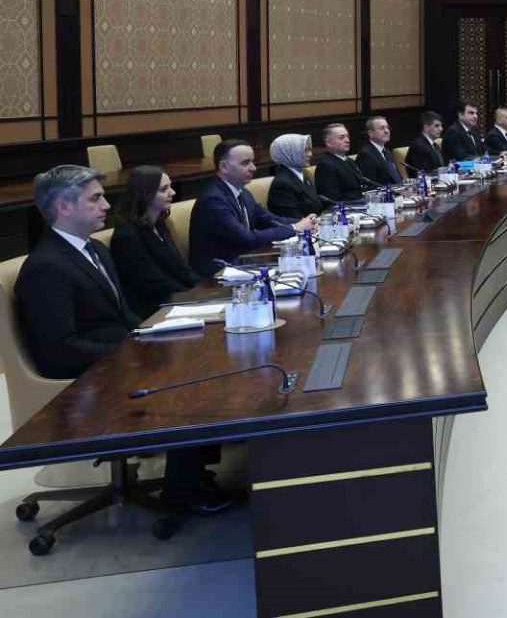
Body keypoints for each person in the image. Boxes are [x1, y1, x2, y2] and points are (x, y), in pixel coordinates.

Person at [17, 165, 231, 514]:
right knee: (188, 380)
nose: (106, 205)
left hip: (116, 352)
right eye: (95, 199)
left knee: (200, 350)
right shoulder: (46, 266)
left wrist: (152, 334)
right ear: (63, 207)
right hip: (84, 375)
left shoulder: (94, 250)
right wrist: (133, 352)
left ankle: (196, 471)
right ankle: (185, 492)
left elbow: (122, 315)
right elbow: (59, 349)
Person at [188, 140, 314, 277]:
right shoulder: (213, 200)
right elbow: (247, 239)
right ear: (224, 167)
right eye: (245, 163)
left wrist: (304, 222)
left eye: (252, 162)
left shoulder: (242, 192)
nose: (253, 168)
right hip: (216, 274)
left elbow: (269, 219)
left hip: (244, 263)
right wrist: (295, 228)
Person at [109, 166, 201, 320]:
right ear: (145, 194)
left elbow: (179, 268)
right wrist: (191, 295)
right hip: (152, 309)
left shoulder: (159, 223)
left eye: (170, 187)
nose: (173, 192)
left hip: (176, 299)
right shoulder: (126, 236)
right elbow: (151, 283)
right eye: (164, 189)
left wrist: (203, 288)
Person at [266, 134, 330, 220]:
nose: (310, 154)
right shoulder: (281, 184)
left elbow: (315, 201)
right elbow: (294, 220)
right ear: (289, 153)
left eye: (309, 150)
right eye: (305, 150)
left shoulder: (303, 173)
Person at [315, 123, 370, 202]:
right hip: (348, 207)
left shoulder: (350, 161)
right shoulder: (325, 165)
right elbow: (332, 199)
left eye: (348, 137)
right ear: (328, 143)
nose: (347, 140)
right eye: (341, 138)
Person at [355, 115, 403, 186]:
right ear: (371, 133)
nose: (387, 131)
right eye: (382, 128)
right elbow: (370, 185)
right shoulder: (366, 154)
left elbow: (396, 177)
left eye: (387, 128)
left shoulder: (386, 151)